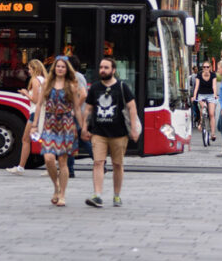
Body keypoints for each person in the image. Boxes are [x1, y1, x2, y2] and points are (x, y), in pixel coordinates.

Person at [82, 58, 141, 208]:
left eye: (106, 67)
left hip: (119, 133)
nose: (102, 70)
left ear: (113, 70)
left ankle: (116, 195)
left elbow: (132, 107)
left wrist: (133, 128)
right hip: (99, 132)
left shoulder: (122, 87)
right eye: (101, 67)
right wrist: (84, 127)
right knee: (98, 163)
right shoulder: (95, 88)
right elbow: (88, 109)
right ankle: (97, 195)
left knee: (117, 165)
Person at [30, 56, 83, 206]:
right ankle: (56, 186)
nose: (60, 69)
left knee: (63, 161)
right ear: (54, 68)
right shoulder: (47, 83)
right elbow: (39, 104)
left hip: (66, 124)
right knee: (48, 159)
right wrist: (34, 125)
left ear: (67, 70)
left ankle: (62, 195)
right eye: (58, 66)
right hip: (49, 124)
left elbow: (77, 108)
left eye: (63, 67)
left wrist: (82, 126)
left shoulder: (71, 85)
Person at [6, 59, 46, 175]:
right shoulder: (44, 79)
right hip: (42, 112)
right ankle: (49, 167)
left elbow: (35, 99)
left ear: (34, 69)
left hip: (35, 113)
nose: (28, 71)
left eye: (29, 68)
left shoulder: (35, 80)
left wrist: (25, 93)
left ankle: (21, 168)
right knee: (44, 140)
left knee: (25, 139)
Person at [66, 55, 89, 178]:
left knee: (72, 140)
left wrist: (75, 108)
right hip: (79, 112)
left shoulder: (75, 77)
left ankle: (70, 170)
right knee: (80, 138)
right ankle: (100, 163)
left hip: (76, 113)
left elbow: (83, 94)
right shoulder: (80, 76)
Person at [192, 61, 217, 143]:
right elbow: (196, 87)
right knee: (203, 107)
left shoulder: (213, 75)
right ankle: (201, 122)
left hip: (210, 95)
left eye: (207, 67)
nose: (206, 68)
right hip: (201, 95)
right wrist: (194, 96)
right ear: (202, 68)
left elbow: (214, 86)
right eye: (204, 67)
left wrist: (215, 94)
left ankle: (213, 134)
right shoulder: (199, 75)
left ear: (210, 68)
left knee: (211, 114)